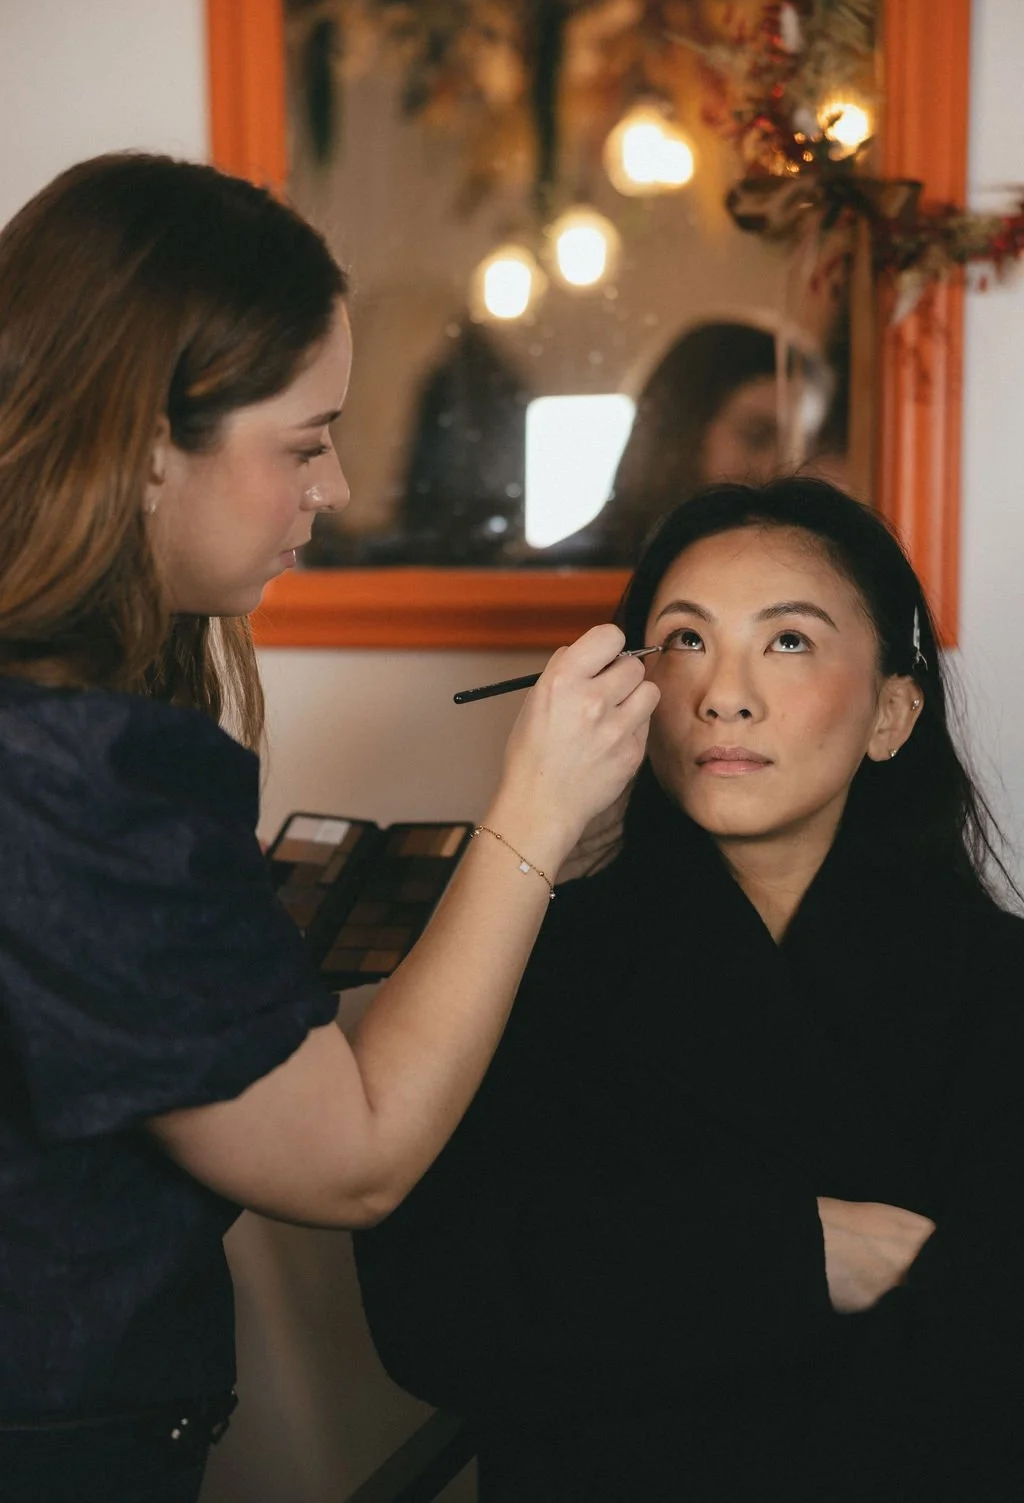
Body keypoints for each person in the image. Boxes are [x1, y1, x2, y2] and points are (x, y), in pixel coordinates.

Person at [0, 153, 660, 1502]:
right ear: (140, 442)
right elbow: (351, 1160)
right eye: (301, 442)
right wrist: (531, 812)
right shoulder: (74, 770)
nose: (341, 487)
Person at [355, 477, 1024, 1501]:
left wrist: (637, 1286)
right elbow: (435, 1310)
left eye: (788, 640)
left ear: (892, 710)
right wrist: (793, 1253)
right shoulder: (522, 964)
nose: (723, 693)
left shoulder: (996, 984)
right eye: (685, 641)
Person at [547, 319, 835, 565]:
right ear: (683, 433)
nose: (783, 466)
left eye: (801, 447)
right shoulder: (560, 573)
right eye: (756, 437)